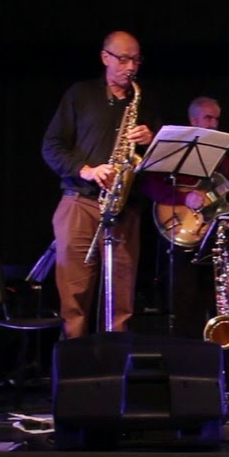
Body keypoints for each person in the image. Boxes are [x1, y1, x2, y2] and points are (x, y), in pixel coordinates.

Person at [41, 30, 161, 340]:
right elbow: (51, 146)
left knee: (121, 300)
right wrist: (87, 170)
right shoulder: (80, 94)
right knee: (74, 298)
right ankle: (74, 364)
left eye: (136, 60)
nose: (131, 67)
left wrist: (151, 140)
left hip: (124, 209)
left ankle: (115, 361)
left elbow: (156, 164)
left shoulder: (142, 102)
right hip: (81, 203)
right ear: (105, 57)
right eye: (124, 59)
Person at [138, 96, 229, 339]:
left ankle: (215, 349)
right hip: (179, 229)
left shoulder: (220, 154)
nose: (214, 124)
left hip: (209, 232)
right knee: (185, 297)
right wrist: (185, 198)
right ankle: (187, 349)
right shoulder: (175, 148)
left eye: (216, 119)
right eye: (208, 118)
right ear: (193, 120)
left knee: (212, 294)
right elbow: (149, 185)